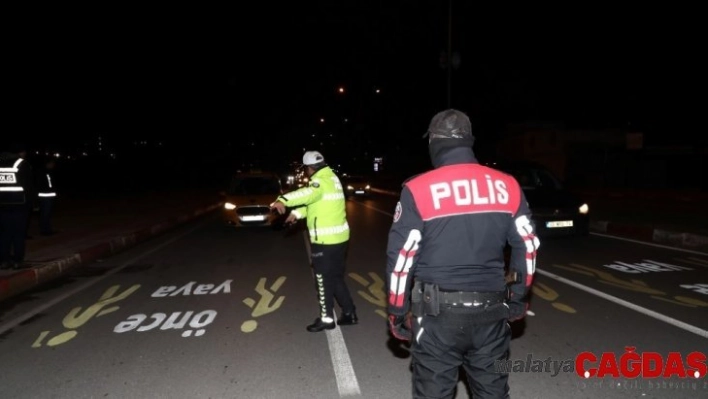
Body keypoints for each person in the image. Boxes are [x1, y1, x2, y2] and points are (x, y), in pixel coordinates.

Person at [385, 109, 540, 398]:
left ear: (433, 141)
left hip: (436, 317)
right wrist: (518, 297)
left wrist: (396, 310)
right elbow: (528, 246)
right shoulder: (507, 185)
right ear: (469, 141)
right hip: (492, 312)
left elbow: (402, 259)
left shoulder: (418, 188)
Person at [270, 150, 358, 332]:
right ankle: (349, 313)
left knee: (323, 280)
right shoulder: (332, 178)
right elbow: (318, 204)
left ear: (309, 168)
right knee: (335, 278)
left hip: (325, 241)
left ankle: (327, 320)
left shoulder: (319, 182)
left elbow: (308, 194)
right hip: (339, 239)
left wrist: (283, 200)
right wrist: (296, 213)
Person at [0, 142, 35, 270]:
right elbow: (28, 186)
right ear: (19, 152)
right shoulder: (22, 164)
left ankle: (4, 260)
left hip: (2, 205)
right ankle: (17, 261)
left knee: (4, 234)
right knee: (18, 234)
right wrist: (33, 203)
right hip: (20, 204)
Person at [37, 157, 58, 235]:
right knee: (45, 214)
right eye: (52, 163)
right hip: (45, 196)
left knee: (47, 214)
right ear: (48, 164)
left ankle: (47, 229)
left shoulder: (50, 172)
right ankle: (45, 230)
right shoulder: (44, 172)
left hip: (49, 195)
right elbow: (44, 184)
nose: (53, 165)